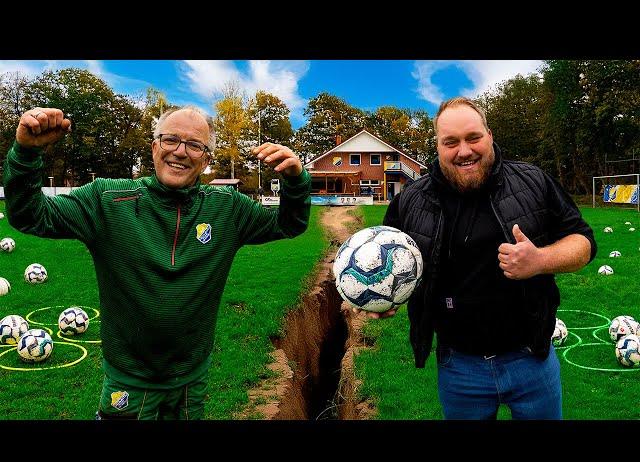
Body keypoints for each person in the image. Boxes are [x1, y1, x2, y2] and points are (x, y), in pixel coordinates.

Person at [3, 106, 311, 420]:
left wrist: (295, 180)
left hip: (192, 378)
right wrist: (26, 153)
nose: (180, 152)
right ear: (154, 147)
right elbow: (30, 216)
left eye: (194, 145)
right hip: (128, 379)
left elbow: (290, 224)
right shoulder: (106, 200)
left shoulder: (228, 209)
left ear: (205, 160)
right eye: (170, 140)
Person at [377, 97, 597, 419]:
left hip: (532, 359)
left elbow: (584, 243)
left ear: (489, 135)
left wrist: (540, 260)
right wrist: (386, 298)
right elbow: (388, 263)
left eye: (473, 138)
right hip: (459, 367)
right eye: (450, 142)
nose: (464, 151)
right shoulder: (410, 200)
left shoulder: (532, 182)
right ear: (437, 146)